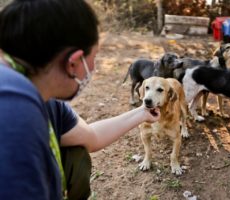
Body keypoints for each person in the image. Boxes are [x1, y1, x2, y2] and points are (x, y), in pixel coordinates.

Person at [0, 0, 160, 200]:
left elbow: (91, 137)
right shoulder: (13, 110)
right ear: (74, 62)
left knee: (76, 154)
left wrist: (143, 113)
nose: (93, 67)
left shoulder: (45, 99)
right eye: (95, 56)